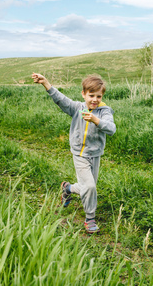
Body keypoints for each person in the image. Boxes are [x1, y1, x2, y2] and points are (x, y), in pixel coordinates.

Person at [31, 73, 116, 233]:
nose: (94, 100)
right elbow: (61, 100)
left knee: (88, 187)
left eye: (99, 96)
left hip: (95, 154)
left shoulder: (104, 112)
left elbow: (111, 129)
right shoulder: (77, 108)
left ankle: (68, 188)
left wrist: (96, 121)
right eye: (91, 95)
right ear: (83, 94)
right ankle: (90, 219)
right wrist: (46, 84)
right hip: (79, 154)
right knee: (90, 187)